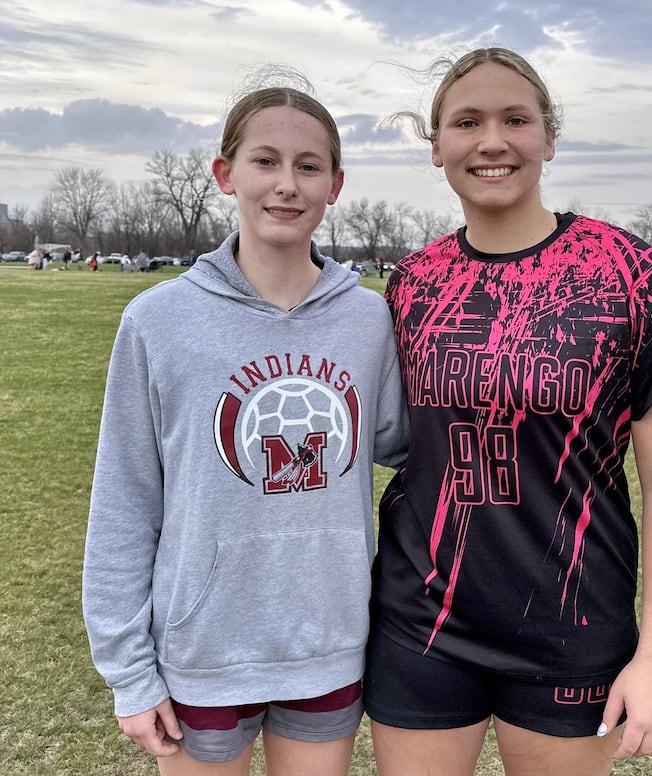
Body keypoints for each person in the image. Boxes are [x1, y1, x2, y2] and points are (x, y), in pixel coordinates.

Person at [364, 47, 652, 776]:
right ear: (438, 149)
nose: (491, 141)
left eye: (515, 119)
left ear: (549, 137)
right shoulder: (412, 284)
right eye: (467, 122)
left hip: (571, 625)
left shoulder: (628, 274)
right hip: (422, 622)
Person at [82, 76, 408, 776]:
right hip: (202, 654)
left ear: (336, 184)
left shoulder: (368, 321)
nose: (287, 184)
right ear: (226, 174)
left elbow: (408, 449)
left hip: (328, 643)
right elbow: (123, 501)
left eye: (308, 166)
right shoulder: (158, 320)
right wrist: (129, 673)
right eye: (266, 161)